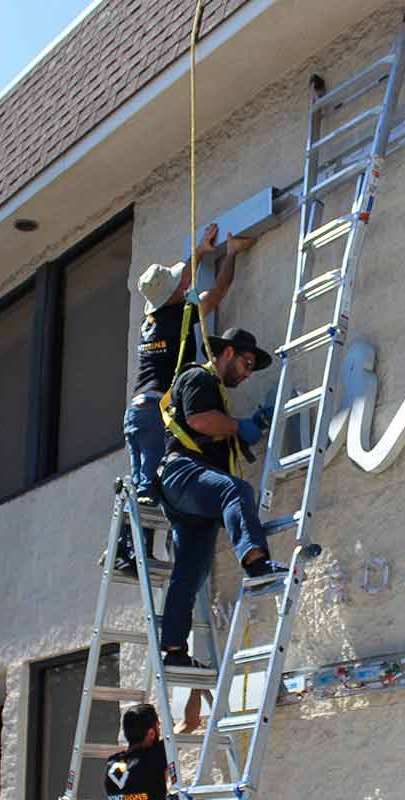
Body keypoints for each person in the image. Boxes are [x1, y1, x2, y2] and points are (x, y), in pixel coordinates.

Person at [116, 224, 257, 578]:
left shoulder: (152, 320)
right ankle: (127, 550)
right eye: (181, 284)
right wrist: (231, 254)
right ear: (175, 295)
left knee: (142, 487)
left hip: (136, 413)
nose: (186, 284)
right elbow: (218, 292)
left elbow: (175, 285)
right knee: (151, 491)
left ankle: (126, 550)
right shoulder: (179, 316)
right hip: (153, 418)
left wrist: (198, 251)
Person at [157, 327, 281, 672]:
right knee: (235, 489)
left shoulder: (214, 392)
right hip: (182, 473)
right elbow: (199, 419)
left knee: (191, 569)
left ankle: (174, 648)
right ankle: (256, 561)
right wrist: (239, 426)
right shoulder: (199, 376)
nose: (247, 373)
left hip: (189, 491)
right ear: (227, 353)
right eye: (246, 363)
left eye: (252, 368)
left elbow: (216, 431)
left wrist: (249, 426)